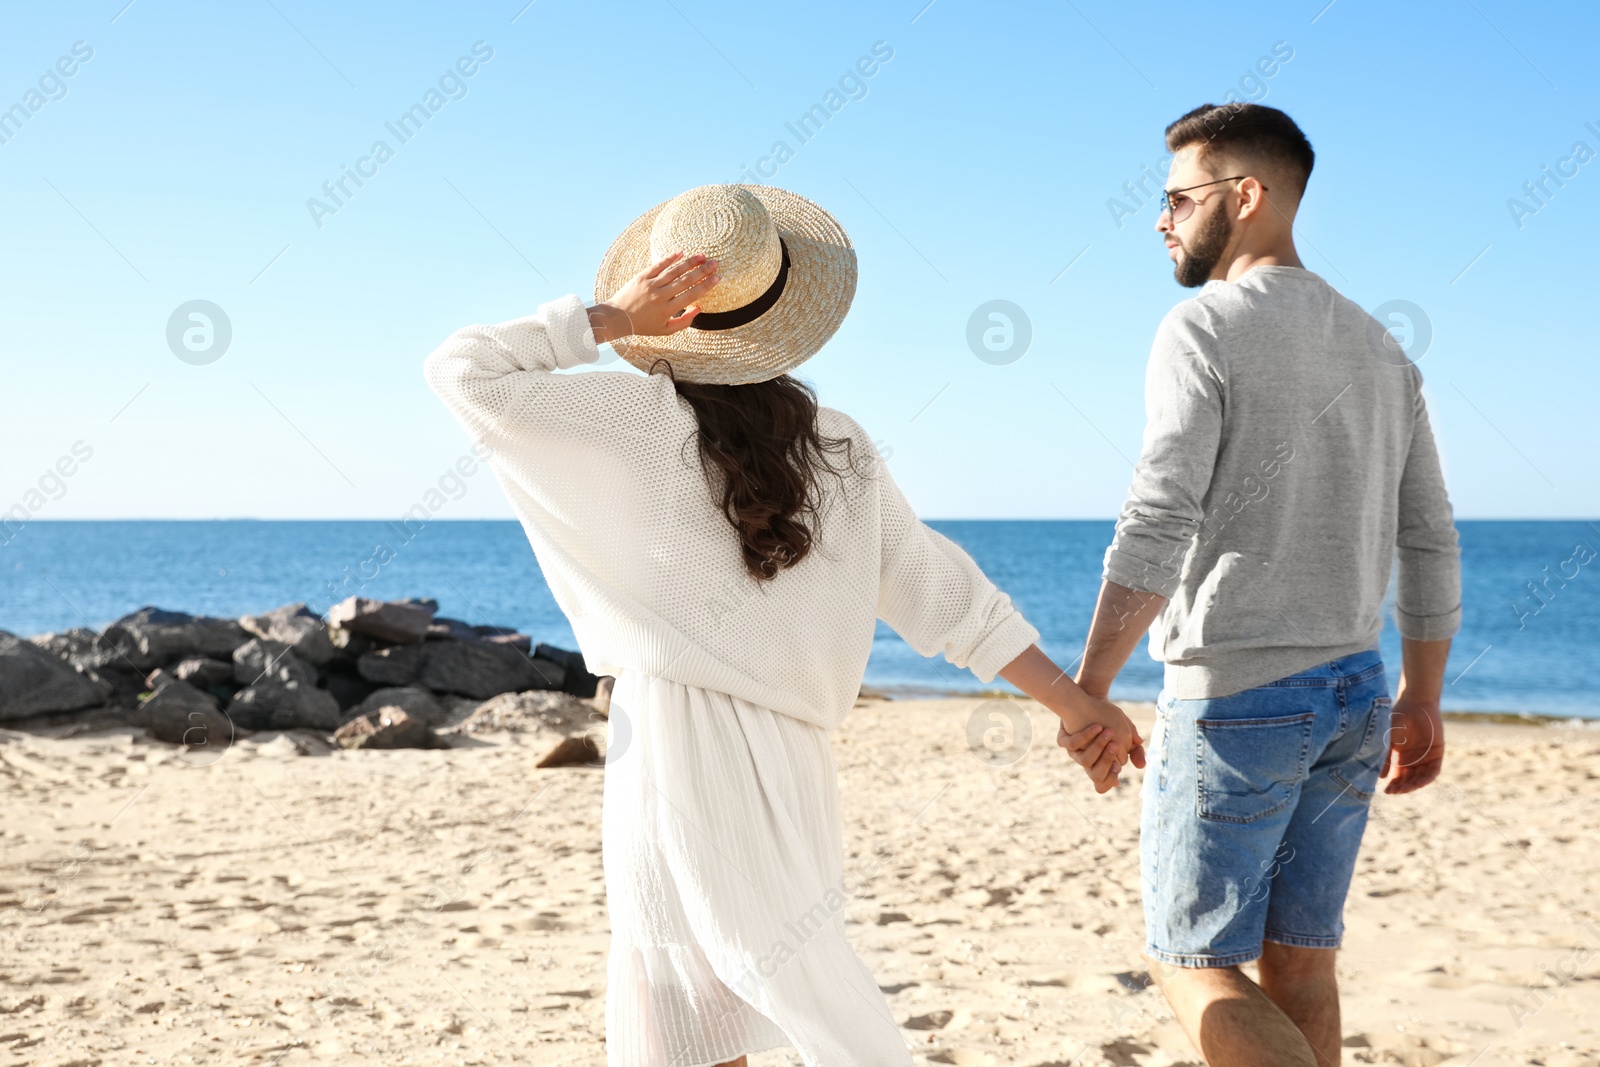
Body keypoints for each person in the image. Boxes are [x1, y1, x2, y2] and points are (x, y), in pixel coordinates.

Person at [424, 183, 1140, 1066]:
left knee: (690, 1019)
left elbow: (461, 369)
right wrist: (1072, 700)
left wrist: (609, 319)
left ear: (671, 308)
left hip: (675, 747)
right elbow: (939, 593)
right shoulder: (836, 444)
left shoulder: (633, 419)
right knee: (797, 992)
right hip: (795, 764)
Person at [1062, 103, 1461, 1066]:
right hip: (1355, 692)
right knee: (1302, 967)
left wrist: (1089, 688)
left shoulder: (1203, 326)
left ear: (1246, 196)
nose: (1160, 219)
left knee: (1189, 960)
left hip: (1238, 696)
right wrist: (1423, 697)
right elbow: (1431, 537)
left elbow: (1158, 520)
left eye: (1177, 198)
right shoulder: (1382, 348)